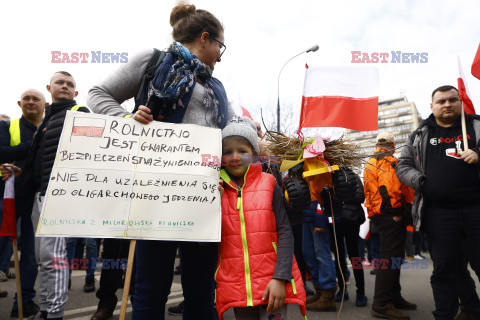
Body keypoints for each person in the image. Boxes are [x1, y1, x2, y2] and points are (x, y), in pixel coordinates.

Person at [87, 3, 234, 319]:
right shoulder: (152, 61)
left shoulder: (215, 85)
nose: (221, 55)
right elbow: (98, 95)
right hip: (156, 192)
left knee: (201, 290)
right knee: (151, 289)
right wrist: (128, 119)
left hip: (204, 196)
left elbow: (228, 133)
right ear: (206, 38)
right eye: (222, 46)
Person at [5, 71, 90, 320]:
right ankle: (45, 308)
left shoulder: (79, 113)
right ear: (49, 87)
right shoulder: (45, 121)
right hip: (41, 195)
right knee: (45, 258)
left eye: (70, 84)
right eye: (60, 82)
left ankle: (53, 313)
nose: (64, 86)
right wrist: (23, 174)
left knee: (54, 257)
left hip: (61, 194)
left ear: (75, 93)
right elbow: (40, 159)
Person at [396, 85, 480, 320]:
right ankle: (446, 314)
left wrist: (478, 153)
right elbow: (402, 167)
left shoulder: (475, 125)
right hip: (438, 213)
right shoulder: (419, 134)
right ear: (431, 106)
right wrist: (420, 180)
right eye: (441, 101)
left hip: (475, 209)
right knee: (445, 269)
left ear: (460, 103)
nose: (447, 104)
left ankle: (472, 309)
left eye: (452, 100)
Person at [216, 116, 306, 320]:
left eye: (242, 151)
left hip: (272, 286)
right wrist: (213, 205)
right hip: (237, 289)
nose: (235, 157)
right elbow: (208, 240)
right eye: (227, 152)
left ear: (255, 155)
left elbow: (284, 231)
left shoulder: (269, 184)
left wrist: (281, 278)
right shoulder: (216, 190)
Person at [0, 89, 46, 317]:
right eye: (26, 99)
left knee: (30, 254)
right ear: (19, 103)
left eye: (35, 99)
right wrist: (33, 145)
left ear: (44, 104)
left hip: (34, 200)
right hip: (7, 198)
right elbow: (1, 153)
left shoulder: (50, 129)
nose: (30, 102)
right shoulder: (7, 127)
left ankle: (24, 301)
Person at [363, 132, 416, 320]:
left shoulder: (370, 161)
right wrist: (396, 213)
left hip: (378, 214)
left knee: (393, 257)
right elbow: (390, 187)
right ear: (393, 144)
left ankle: (394, 296)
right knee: (389, 259)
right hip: (390, 215)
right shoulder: (389, 161)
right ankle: (381, 304)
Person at [324, 169, 368, 307]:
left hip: (351, 220)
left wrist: (340, 196)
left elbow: (361, 196)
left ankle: (361, 293)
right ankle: (343, 291)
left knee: (355, 256)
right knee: (338, 257)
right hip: (334, 221)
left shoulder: (352, 176)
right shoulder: (327, 177)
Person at [301, 201, 337, 312]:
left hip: (317, 214)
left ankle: (328, 295)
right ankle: (319, 292)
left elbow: (322, 191)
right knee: (308, 253)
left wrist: (321, 220)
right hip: (307, 214)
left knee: (322, 254)